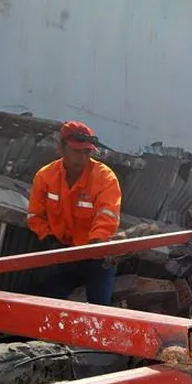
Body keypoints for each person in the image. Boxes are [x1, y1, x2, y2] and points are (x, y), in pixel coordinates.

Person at [27, 121, 122, 305]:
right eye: (76, 151)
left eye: (87, 152)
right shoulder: (45, 176)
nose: (82, 157)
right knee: (49, 304)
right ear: (60, 148)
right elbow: (35, 215)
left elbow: (107, 215)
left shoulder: (105, 178)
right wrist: (48, 237)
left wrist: (97, 242)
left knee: (99, 309)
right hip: (63, 252)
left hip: (96, 256)